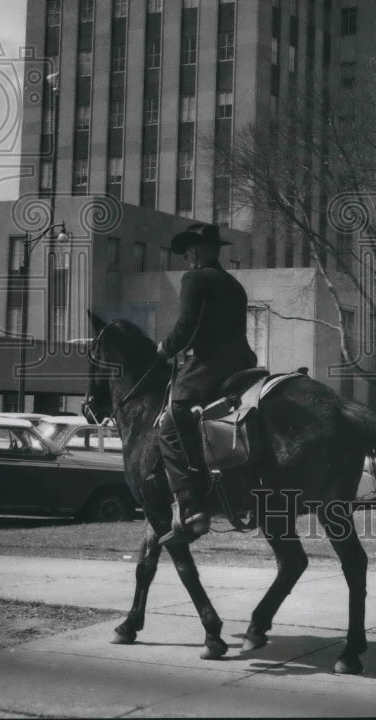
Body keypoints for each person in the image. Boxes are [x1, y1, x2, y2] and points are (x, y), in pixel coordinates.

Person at [156, 222, 257, 541]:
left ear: (196, 252)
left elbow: (186, 326)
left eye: (187, 253)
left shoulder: (195, 277)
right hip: (240, 366)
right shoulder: (234, 285)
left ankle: (189, 506)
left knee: (170, 424)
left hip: (208, 369)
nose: (186, 258)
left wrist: (166, 347)